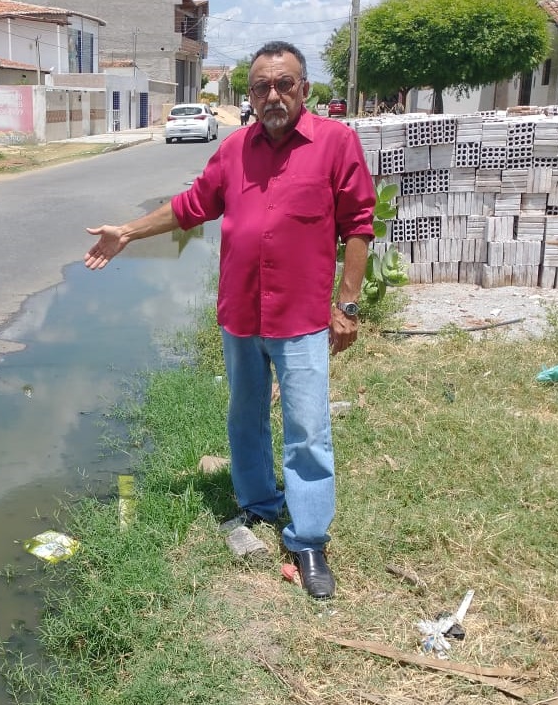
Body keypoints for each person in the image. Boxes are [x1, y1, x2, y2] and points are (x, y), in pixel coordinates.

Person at [84, 41, 376, 599]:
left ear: (304, 90)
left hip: (302, 317)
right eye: (261, 86)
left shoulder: (336, 143)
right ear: (250, 94)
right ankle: (260, 503)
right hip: (240, 313)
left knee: (308, 430)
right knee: (245, 418)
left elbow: (358, 224)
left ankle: (309, 538)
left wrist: (348, 303)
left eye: (283, 84)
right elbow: (191, 205)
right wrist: (127, 231)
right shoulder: (235, 148)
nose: (272, 95)